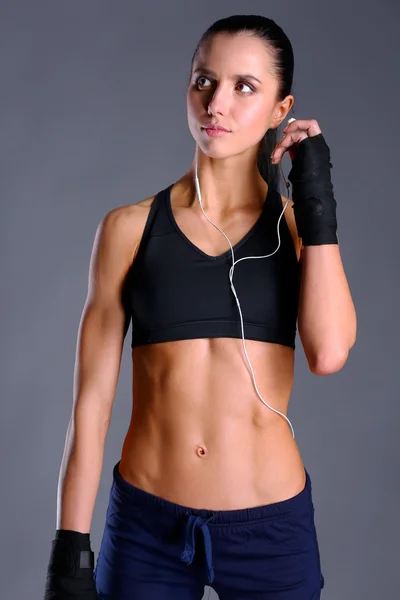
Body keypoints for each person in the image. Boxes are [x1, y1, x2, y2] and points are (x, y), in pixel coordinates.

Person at [44, 14, 357, 600]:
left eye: (245, 87)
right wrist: (70, 546)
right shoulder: (129, 229)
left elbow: (330, 351)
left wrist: (317, 199)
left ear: (280, 108)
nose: (217, 103)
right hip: (146, 527)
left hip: (269, 528)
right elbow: (92, 401)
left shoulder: (295, 230)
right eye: (203, 81)